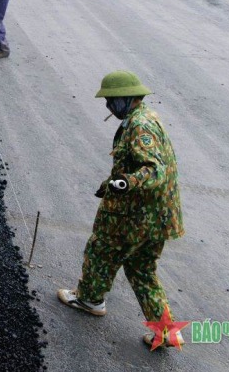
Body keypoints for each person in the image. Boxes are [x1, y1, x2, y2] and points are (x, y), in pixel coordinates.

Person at [57, 71, 185, 350]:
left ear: (127, 98)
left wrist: (125, 182)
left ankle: (90, 299)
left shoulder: (140, 126)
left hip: (135, 216)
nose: (108, 107)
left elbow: (154, 170)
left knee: (101, 250)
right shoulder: (146, 117)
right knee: (141, 269)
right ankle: (165, 331)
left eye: (112, 100)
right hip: (156, 217)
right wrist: (114, 183)